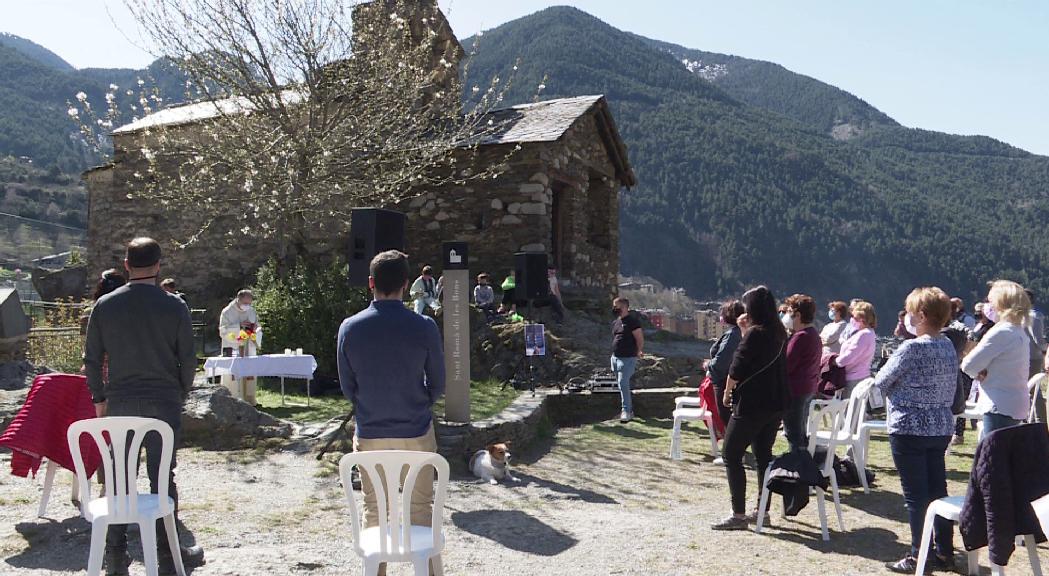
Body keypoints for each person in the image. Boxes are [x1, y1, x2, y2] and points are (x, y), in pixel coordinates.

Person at [83, 238, 203, 576]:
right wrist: (180, 392)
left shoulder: (104, 306)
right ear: (159, 265)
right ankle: (167, 554)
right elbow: (188, 359)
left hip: (120, 400)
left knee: (121, 478)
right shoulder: (175, 306)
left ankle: (116, 558)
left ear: (126, 265)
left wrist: (99, 398)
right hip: (163, 400)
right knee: (163, 476)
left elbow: (92, 359)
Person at [337, 250, 445, 576]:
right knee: (420, 509)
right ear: (406, 284)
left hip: (370, 432)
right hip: (415, 430)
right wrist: (418, 400)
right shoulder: (423, 326)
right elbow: (438, 383)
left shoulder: (350, 328)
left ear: (370, 283)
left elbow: (347, 387)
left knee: (375, 509)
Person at [875, 287, 958, 573]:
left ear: (921, 315)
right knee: (939, 492)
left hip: (909, 427)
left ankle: (917, 554)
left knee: (916, 497)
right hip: (940, 428)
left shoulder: (911, 348)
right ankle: (946, 552)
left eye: (911, 313)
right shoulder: (947, 345)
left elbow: (882, 382)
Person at [711, 286, 788, 531]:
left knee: (731, 454)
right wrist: (746, 331)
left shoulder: (756, 333)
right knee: (763, 456)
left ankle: (738, 514)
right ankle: (762, 510)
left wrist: (726, 393)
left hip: (752, 403)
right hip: (775, 403)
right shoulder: (779, 332)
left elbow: (738, 366)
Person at [961, 280, 1033, 435]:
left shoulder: (1001, 332)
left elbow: (968, 365)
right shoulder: (1018, 331)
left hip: (997, 405)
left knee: (993, 456)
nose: (988, 305)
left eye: (990, 300)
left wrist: (978, 374)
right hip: (1015, 402)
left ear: (1001, 303)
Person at [782, 294, 821, 453]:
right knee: (800, 432)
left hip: (795, 391)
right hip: (807, 389)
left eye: (789, 312)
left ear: (798, 315)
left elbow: (786, 364)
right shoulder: (813, 334)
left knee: (794, 435)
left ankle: (798, 469)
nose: (786, 316)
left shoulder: (800, 337)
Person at [705, 300, 745, 429]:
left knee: (727, 420)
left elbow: (721, 361)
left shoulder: (732, 335)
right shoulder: (741, 333)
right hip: (733, 381)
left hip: (723, 382)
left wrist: (708, 365)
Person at [218, 289, 260, 404]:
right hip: (233, 347)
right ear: (238, 300)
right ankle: (232, 400)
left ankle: (250, 399)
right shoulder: (227, 312)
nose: (248, 306)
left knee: (249, 374)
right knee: (233, 376)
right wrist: (239, 326)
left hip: (248, 347)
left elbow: (257, 325)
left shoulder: (251, 311)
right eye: (245, 303)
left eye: (249, 303)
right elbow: (223, 331)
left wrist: (255, 328)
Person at [611, 297, 644, 423]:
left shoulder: (632, 322)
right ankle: (626, 408)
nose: (614, 309)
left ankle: (627, 411)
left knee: (623, 383)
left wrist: (639, 350)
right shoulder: (616, 322)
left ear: (624, 307)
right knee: (620, 385)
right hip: (615, 357)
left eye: (616, 306)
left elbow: (639, 338)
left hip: (628, 357)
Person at [835, 301, 877, 398]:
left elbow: (850, 356)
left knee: (848, 410)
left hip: (853, 379)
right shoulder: (869, 333)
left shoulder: (863, 334)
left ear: (861, 319)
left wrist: (834, 361)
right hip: (859, 376)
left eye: (854, 317)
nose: (852, 320)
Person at [1026, 289, 1046, 353]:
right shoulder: (1036, 316)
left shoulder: (1013, 316)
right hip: (1034, 356)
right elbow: (1039, 341)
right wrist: (1046, 348)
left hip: (1018, 356)